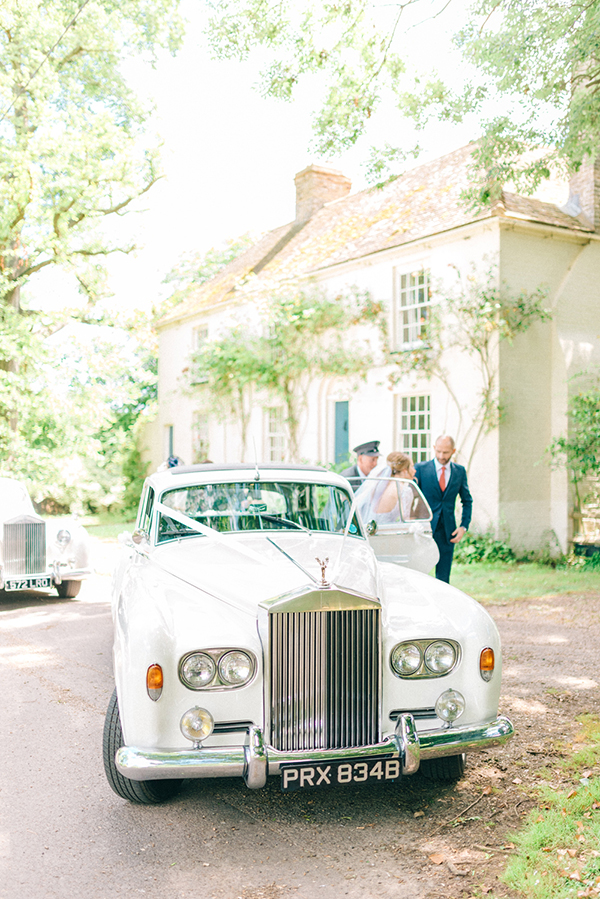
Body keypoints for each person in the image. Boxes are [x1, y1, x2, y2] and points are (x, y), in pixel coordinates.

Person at [415, 435, 472, 583]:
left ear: (453, 451)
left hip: (448, 533)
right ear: (434, 448)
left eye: (445, 452)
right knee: (420, 576)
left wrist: (463, 526)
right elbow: (410, 498)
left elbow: (467, 501)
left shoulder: (459, 471)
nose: (441, 456)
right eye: (438, 451)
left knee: (443, 578)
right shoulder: (420, 469)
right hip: (424, 531)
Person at [355, 451, 417, 524]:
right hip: (389, 530)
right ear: (405, 470)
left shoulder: (380, 486)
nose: (414, 471)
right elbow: (404, 521)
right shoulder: (405, 490)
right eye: (412, 466)